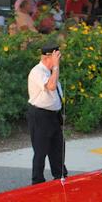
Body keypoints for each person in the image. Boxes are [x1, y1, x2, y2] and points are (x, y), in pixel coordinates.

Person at [27, 43, 67, 185]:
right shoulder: (38, 71)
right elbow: (50, 87)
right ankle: (37, 182)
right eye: (57, 57)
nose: (59, 60)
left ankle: (60, 177)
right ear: (48, 57)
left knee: (58, 148)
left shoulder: (50, 72)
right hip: (40, 115)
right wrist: (56, 67)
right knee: (41, 150)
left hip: (53, 116)